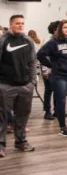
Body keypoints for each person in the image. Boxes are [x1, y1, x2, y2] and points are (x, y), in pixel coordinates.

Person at [0, 15, 37, 157]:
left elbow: (33, 62)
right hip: (6, 86)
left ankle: (21, 141)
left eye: (22, 23)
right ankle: (1, 145)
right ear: (11, 25)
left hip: (25, 86)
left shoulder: (28, 41)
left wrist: (32, 82)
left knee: (22, 115)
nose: (20, 26)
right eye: (17, 23)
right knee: (2, 116)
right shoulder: (3, 41)